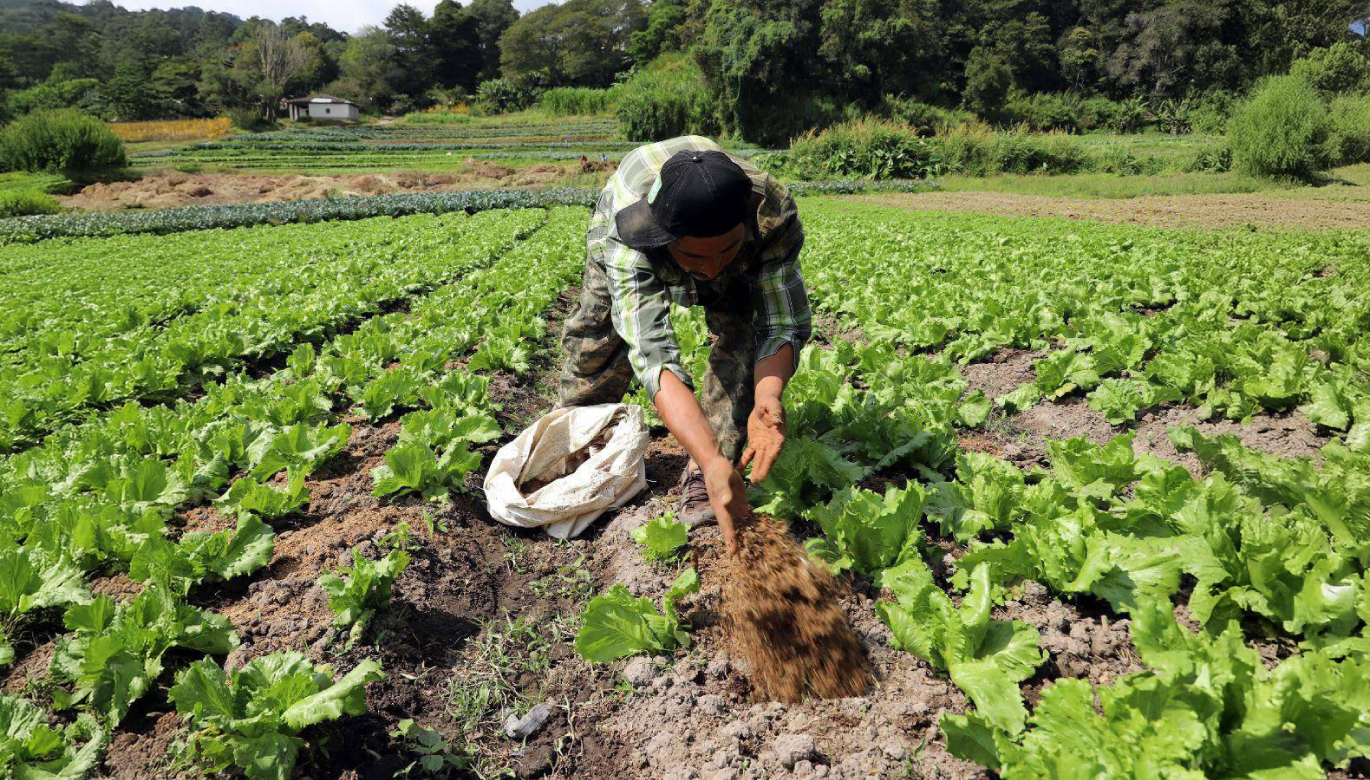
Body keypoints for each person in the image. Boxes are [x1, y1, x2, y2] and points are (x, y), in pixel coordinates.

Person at [558, 136, 810, 555]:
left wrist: (769, 394)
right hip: (633, 209)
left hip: (729, 234)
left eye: (725, 251)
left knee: (742, 328)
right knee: (598, 335)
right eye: (695, 260)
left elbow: (781, 322)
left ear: (747, 227)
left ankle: (709, 469)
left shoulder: (772, 214)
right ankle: (575, 439)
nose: (710, 272)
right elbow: (652, 350)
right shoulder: (630, 229)